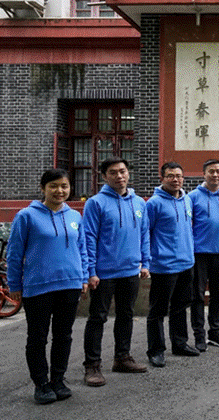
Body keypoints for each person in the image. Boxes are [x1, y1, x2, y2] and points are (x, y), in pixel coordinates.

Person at [6, 169, 88, 404]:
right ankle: (41, 384)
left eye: (64, 186)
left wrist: (83, 277)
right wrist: (14, 283)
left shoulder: (74, 216)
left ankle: (58, 380)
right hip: (38, 286)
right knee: (37, 337)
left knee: (64, 336)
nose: (59, 191)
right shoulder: (26, 216)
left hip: (70, 285)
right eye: (53, 186)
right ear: (43, 188)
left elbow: (82, 249)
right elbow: (14, 253)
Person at [82, 157, 150, 386]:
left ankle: (122, 357)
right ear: (104, 176)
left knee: (126, 315)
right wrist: (91, 271)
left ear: (128, 173)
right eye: (113, 172)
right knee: (97, 318)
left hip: (130, 270)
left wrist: (145, 262)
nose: (119, 176)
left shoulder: (139, 203)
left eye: (122, 171)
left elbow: (144, 234)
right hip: (104, 272)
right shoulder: (95, 203)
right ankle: (92, 365)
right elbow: (88, 238)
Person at [145, 162, 199, 368]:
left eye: (178, 176)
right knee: (158, 310)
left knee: (180, 307)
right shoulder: (154, 204)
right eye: (170, 176)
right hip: (164, 265)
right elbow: (146, 233)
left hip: (186, 263)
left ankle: (180, 343)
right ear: (162, 178)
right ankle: (156, 350)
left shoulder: (187, 200)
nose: (175, 179)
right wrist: (147, 260)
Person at [188, 159, 219, 350]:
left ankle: (215, 331)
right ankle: (199, 335)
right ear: (204, 174)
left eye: (218, 171)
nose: (215, 175)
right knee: (197, 295)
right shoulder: (192, 196)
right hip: (200, 253)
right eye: (211, 171)